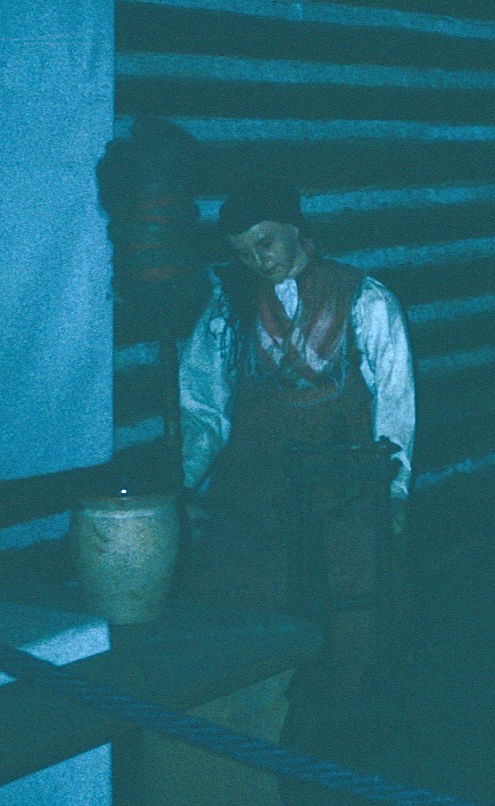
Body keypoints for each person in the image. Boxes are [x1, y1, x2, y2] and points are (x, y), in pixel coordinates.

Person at [178, 175, 415, 745]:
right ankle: (255, 722)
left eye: (266, 243)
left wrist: (397, 488)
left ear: (298, 233)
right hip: (256, 484)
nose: (257, 261)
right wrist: (186, 482)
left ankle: (342, 720)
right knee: (246, 591)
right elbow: (204, 407)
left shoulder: (367, 299)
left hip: (345, 484)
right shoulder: (226, 308)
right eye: (242, 252)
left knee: (348, 595)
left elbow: (396, 403)